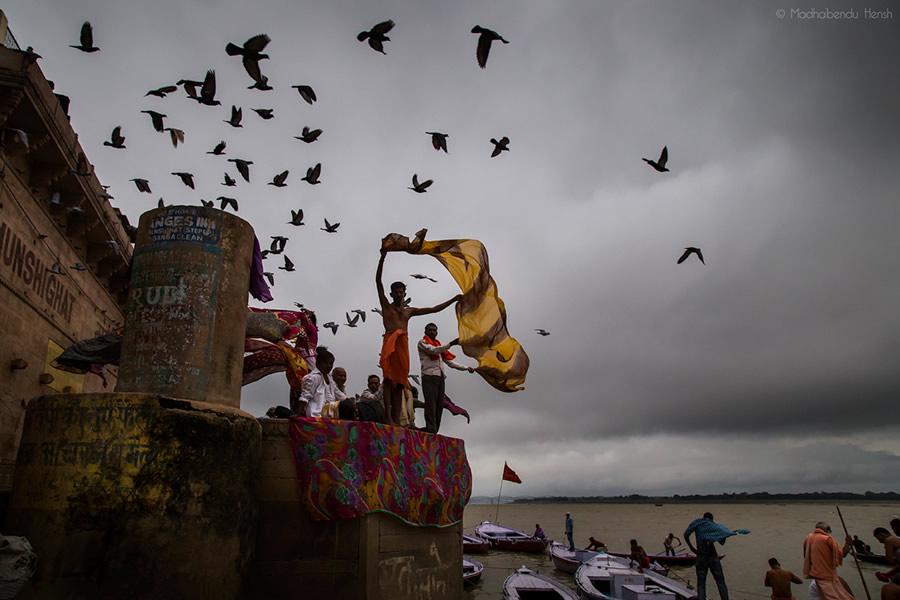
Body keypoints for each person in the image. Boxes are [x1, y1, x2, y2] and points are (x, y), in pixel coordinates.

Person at [376, 249, 461, 426]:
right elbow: (378, 282)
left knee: (400, 381)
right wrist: (382, 258)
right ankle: (388, 416)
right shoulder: (387, 307)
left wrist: (454, 299)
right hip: (391, 341)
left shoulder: (408, 311)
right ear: (392, 294)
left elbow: (433, 309)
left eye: (401, 292)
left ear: (404, 294)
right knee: (388, 379)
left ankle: (397, 417)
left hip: (403, 345)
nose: (399, 295)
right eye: (396, 292)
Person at [417, 322, 475, 434]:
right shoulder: (423, 343)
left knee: (439, 405)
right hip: (429, 376)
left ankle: (434, 430)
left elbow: (450, 363)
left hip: (440, 378)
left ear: (437, 332)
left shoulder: (439, 347)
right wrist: (451, 343)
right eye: (430, 330)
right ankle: (430, 428)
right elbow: (433, 351)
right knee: (431, 404)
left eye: (434, 330)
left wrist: (467, 368)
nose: (432, 332)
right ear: (425, 332)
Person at [684, 511, 743, 600]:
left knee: (701, 583)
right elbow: (722, 542)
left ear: (703, 517)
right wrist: (725, 535)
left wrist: (692, 548)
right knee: (720, 582)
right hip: (713, 557)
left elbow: (686, 535)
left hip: (701, 556)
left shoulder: (697, 523)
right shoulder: (714, 526)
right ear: (712, 519)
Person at [802, 521, 854, 600]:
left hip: (816, 578)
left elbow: (805, 556)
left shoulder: (808, 539)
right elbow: (842, 554)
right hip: (827, 579)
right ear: (826, 530)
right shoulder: (827, 539)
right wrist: (848, 543)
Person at [297, 347, 345, 417]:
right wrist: (298, 413)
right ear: (318, 363)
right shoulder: (312, 377)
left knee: (347, 404)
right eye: (326, 363)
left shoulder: (330, 378)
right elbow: (305, 396)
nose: (329, 366)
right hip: (316, 413)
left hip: (330, 412)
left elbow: (339, 394)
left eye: (331, 363)